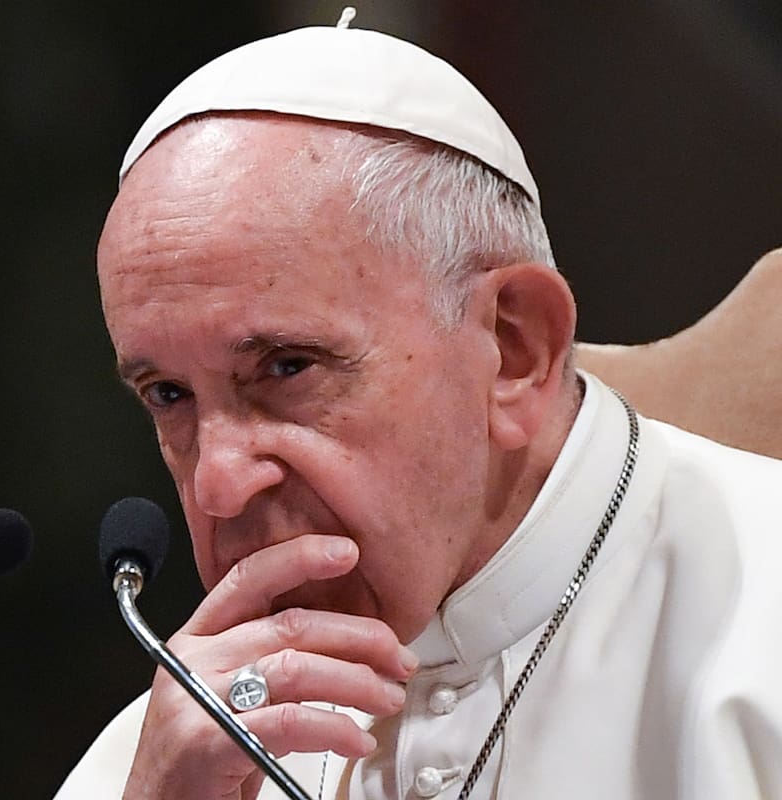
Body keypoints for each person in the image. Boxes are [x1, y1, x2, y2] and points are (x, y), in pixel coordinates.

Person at [55, 11, 782, 800]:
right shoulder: (183, 747)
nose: (218, 485)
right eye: (168, 395)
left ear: (515, 348)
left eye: (287, 367)